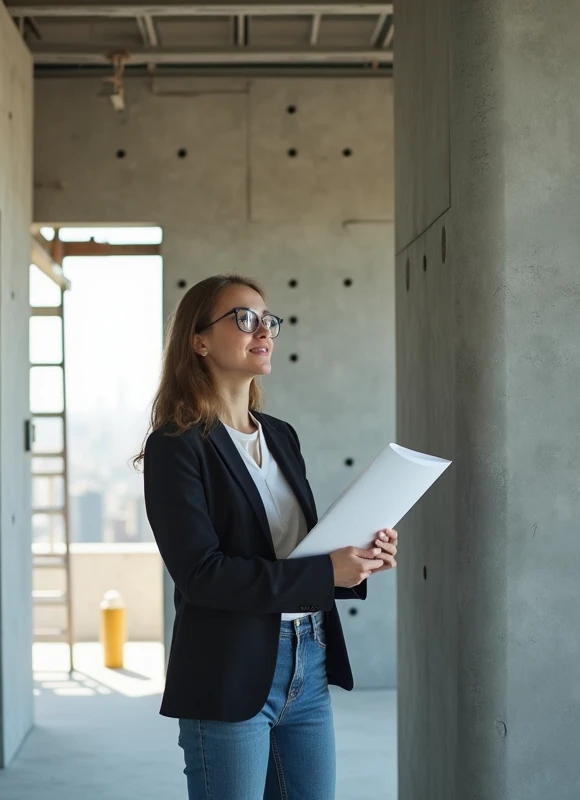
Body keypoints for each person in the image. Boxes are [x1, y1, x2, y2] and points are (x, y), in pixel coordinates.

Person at [137, 274, 399, 800]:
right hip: (228, 668)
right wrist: (325, 571)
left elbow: (293, 554)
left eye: (268, 320)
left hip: (310, 655)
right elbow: (202, 575)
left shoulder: (281, 435)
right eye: (244, 318)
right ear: (200, 340)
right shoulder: (175, 446)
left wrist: (357, 560)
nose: (264, 330)